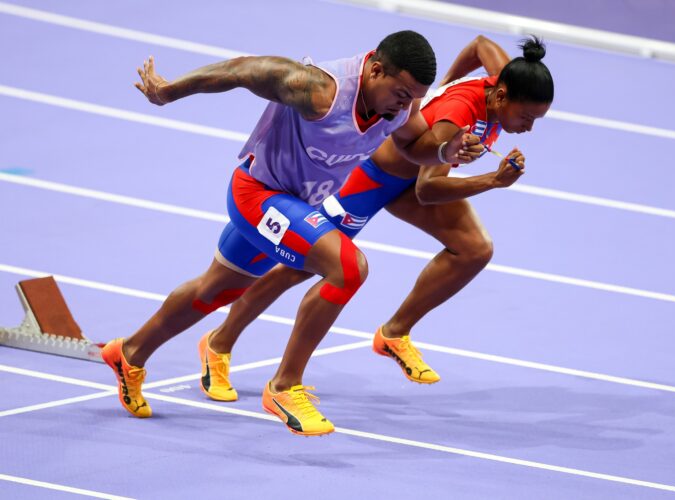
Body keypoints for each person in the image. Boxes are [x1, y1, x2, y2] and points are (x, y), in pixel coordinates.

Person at [100, 30, 484, 436]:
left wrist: (444, 152)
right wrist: (169, 91)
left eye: (413, 98)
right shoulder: (319, 90)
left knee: (214, 291)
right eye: (402, 93)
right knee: (348, 268)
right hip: (258, 194)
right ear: (374, 70)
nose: (406, 105)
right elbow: (241, 69)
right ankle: (284, 386)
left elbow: (412, 146)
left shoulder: (397, 108)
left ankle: (128, 352)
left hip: (297, 204)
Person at [197, 36, 554, 402]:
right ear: (500, 96)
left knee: (475, 248)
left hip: (407, 180)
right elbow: (428, 190)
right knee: (300, 267)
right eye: (526, 117)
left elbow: (480, 44)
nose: (528, 127)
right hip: (368, 181)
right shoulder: (459, 117)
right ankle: (219, 342)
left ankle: (394, 333)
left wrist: (436, 91)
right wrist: (492, 179)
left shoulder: (503, 78)